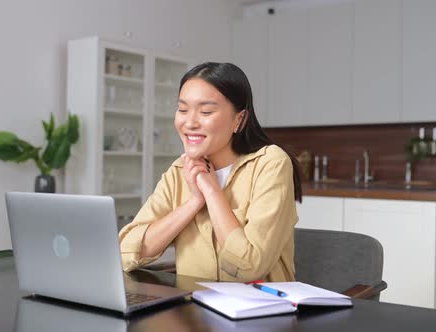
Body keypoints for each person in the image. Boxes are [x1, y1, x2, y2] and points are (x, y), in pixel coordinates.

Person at [119, 62, 302, 282]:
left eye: (205, 111)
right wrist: (193, 203)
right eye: (183, 110)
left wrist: (212, 192)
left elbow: (250, 267)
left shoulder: (270, 163)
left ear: (239, 119)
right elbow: (124, 252)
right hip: (194, 310)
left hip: (262, 312)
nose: (190, 122)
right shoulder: (179, 171)